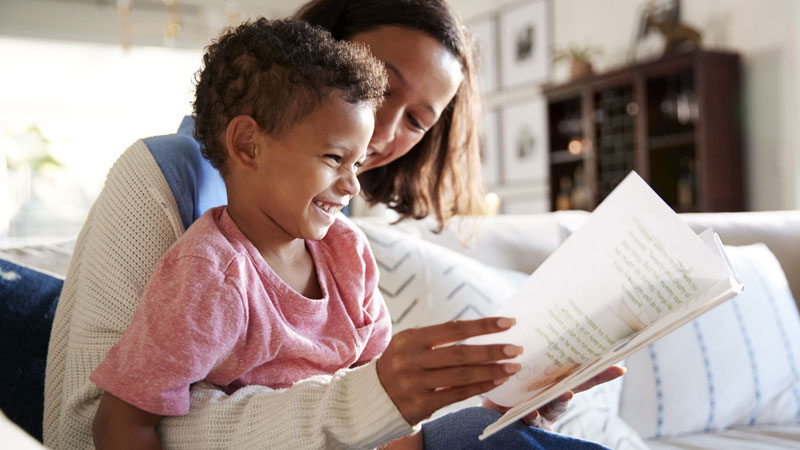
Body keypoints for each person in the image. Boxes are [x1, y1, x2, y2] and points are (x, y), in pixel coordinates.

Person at [44, 1, 623, 449]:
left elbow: (377, 403)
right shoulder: (181, 211)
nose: (381, 138)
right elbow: (97, 425)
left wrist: (509, 402)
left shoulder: (337, 234)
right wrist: (362, 404)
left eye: (418, 121)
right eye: (382, 83)